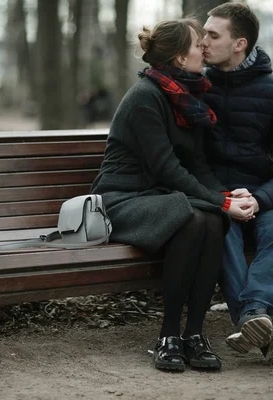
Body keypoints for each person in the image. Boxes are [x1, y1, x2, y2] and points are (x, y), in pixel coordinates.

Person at [91, 18, 255, 372]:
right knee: (193, 217)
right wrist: (222, 202)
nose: (204, 50)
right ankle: (168, 336)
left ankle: (195, 335)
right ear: (181, 58)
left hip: (160, 196)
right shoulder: (145, 98)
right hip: (122, 199)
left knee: (211, 219)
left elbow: (196, 165)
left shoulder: (188, 98)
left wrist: (225, 199)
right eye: (198, 45)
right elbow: (167, 168)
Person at [201, 2, 273, 364]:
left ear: (239, 44)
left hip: (265, 197)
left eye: (213, 35)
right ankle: (257, 321)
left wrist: (261, 199)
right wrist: (223, 197)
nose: (202, 42)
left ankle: (254, 319)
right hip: (216, 197)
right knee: (221, 229)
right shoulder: (196, 90)